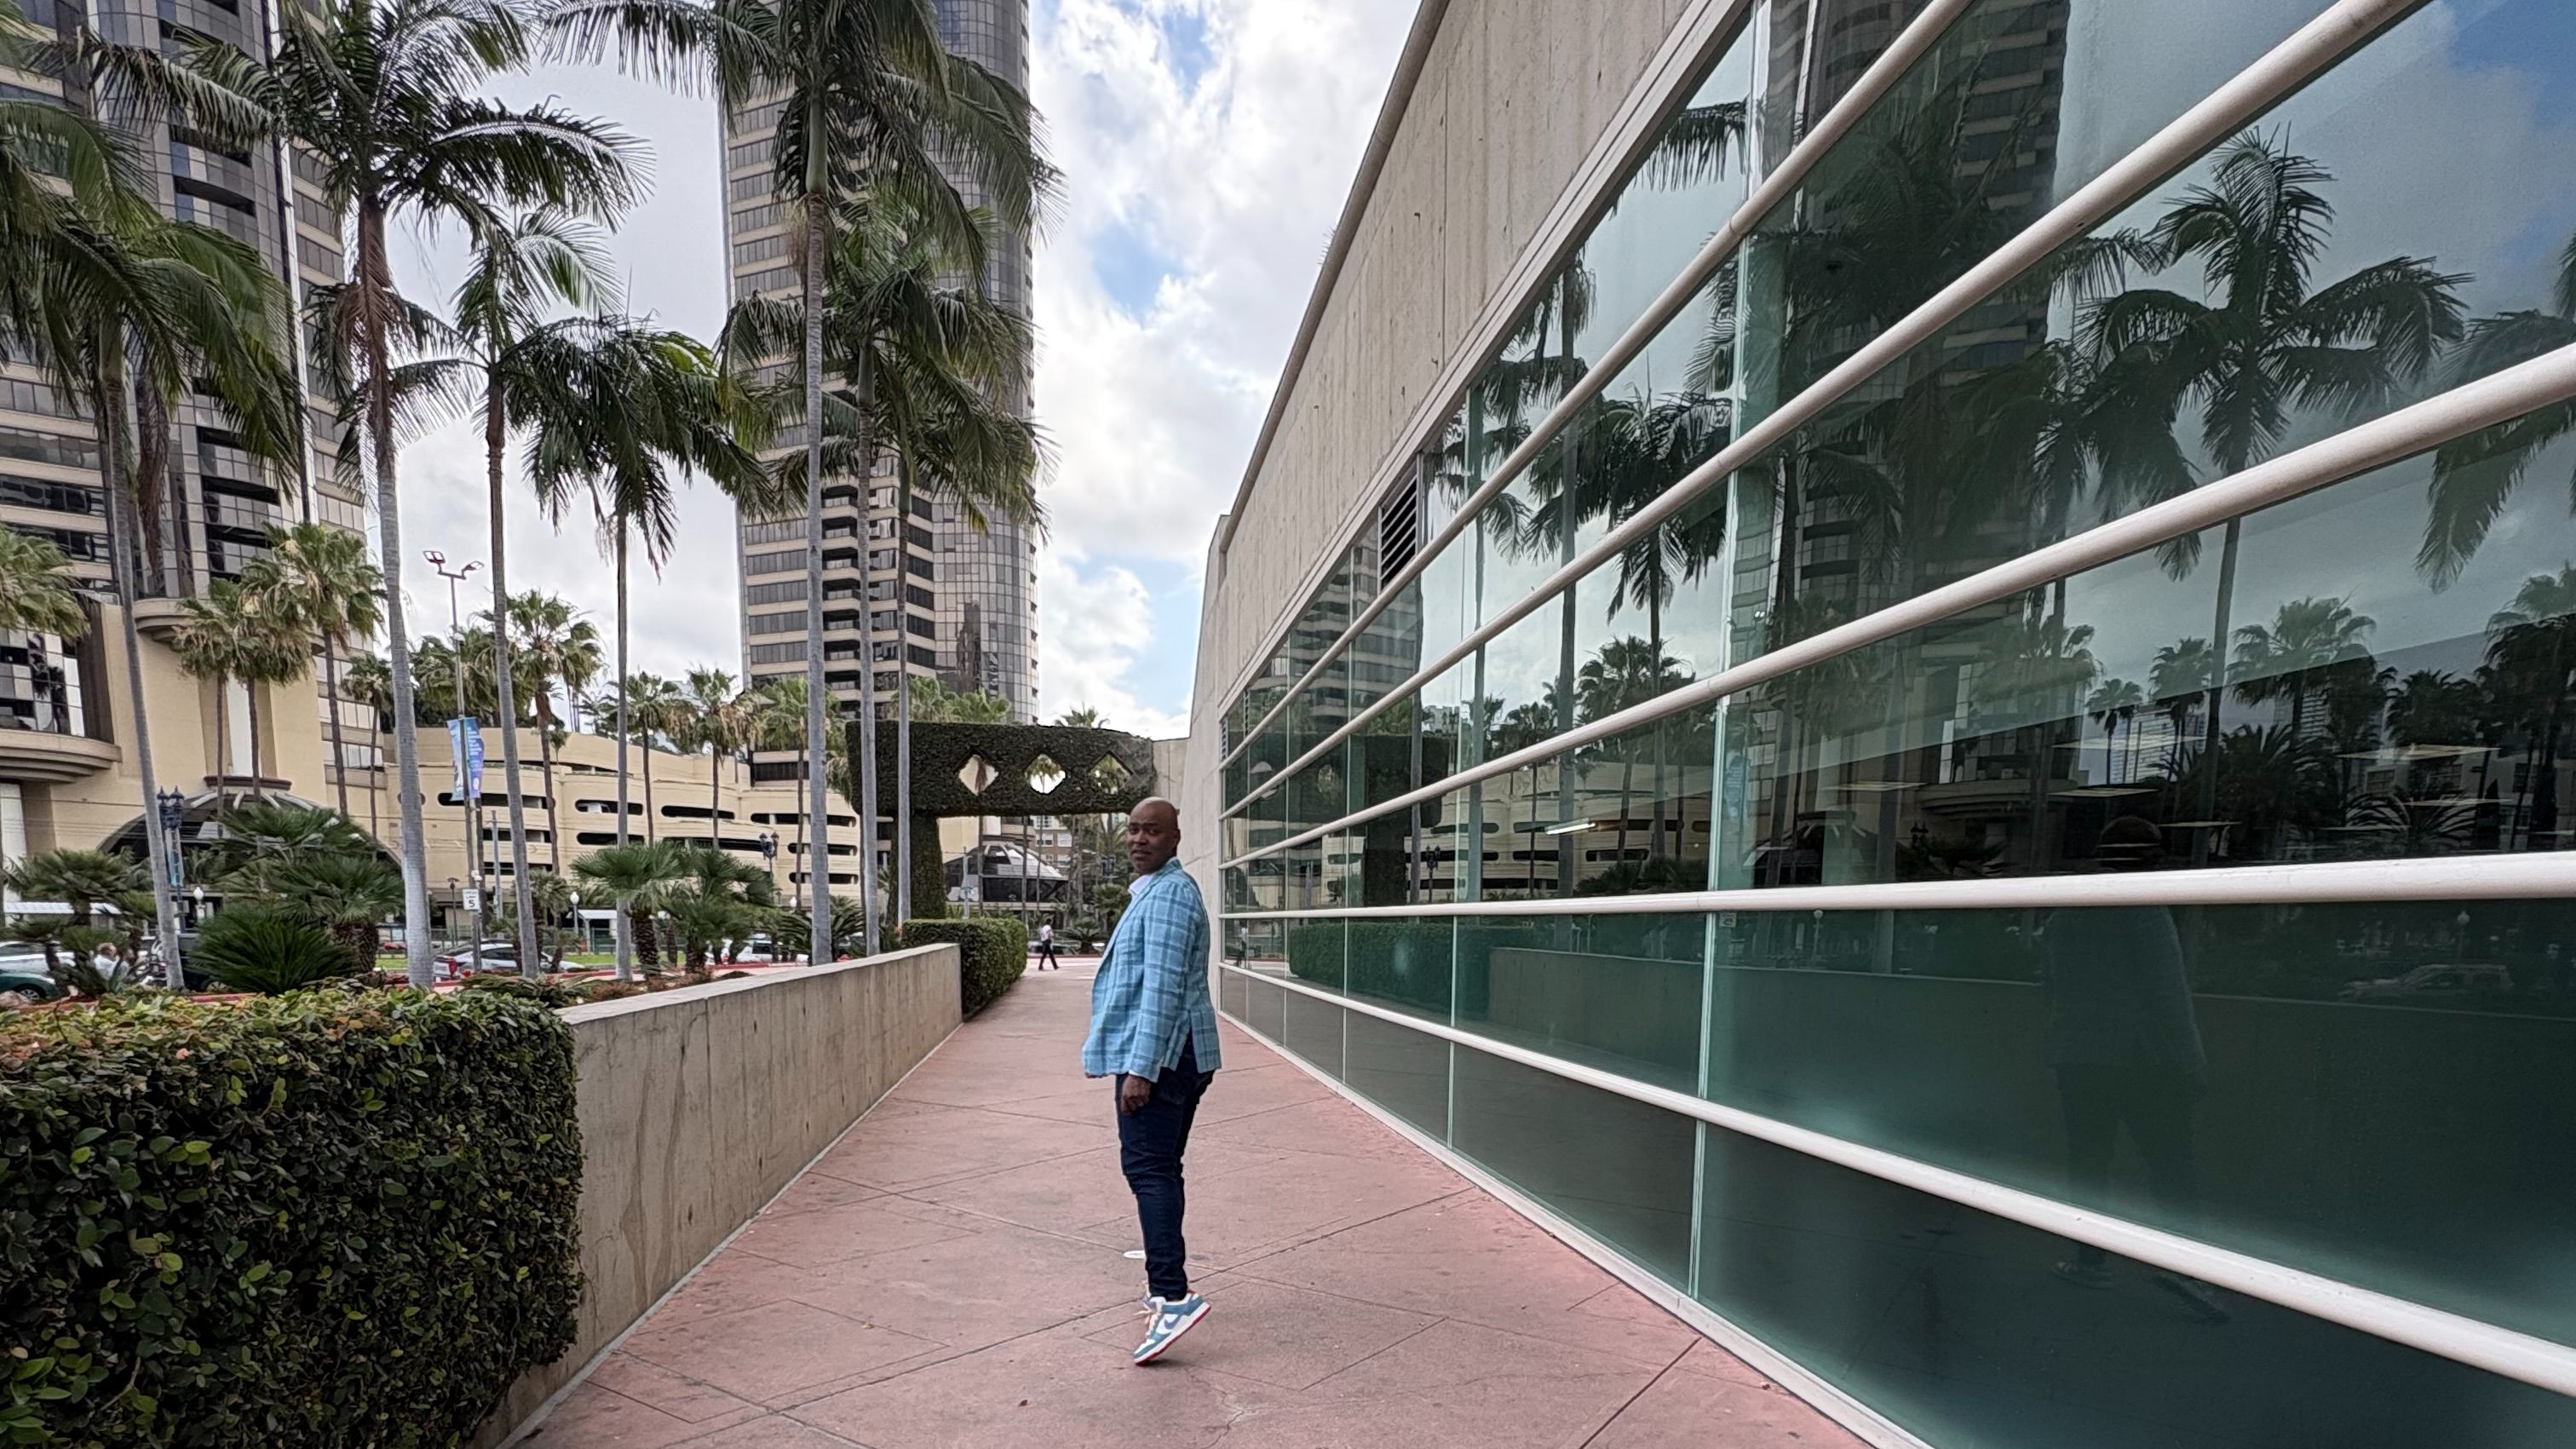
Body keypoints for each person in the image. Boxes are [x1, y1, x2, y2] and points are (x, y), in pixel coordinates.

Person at [2040, 815, 2227, 1323]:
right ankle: (2185, 1268)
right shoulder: (2146, 913)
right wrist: (2193, 1062)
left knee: (2088, 1164)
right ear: (2152, 857)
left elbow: (2050, 981)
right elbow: (2170, 998)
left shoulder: (2069, 913)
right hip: (2144, 1061)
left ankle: (2089, 1261)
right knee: (2170, 1165)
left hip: (2079, 1058)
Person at [1082, 797, 1222, 1364]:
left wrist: (1140, 1069)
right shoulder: (1157, 890)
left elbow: (1162, 992)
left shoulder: (1169, 896)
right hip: (1179, 1053)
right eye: (1134, 829)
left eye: (1153, 830)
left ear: (1175, 838)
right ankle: (1167, 1285)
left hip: (1164, 1057)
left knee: (1148, 1169)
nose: (1140, 838)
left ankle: (1171, 1295)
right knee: (1159, 1168)